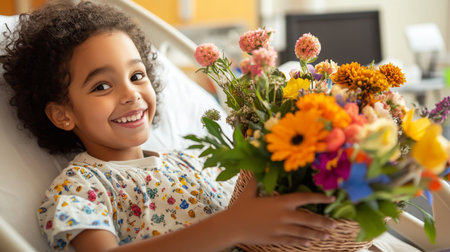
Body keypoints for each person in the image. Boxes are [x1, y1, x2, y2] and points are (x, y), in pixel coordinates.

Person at [1, 1, 336, 251]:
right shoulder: (81, 188)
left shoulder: (184, 162)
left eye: (136, 76)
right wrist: (232, 226)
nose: (131, 93)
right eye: (101, 86)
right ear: (62, 115)